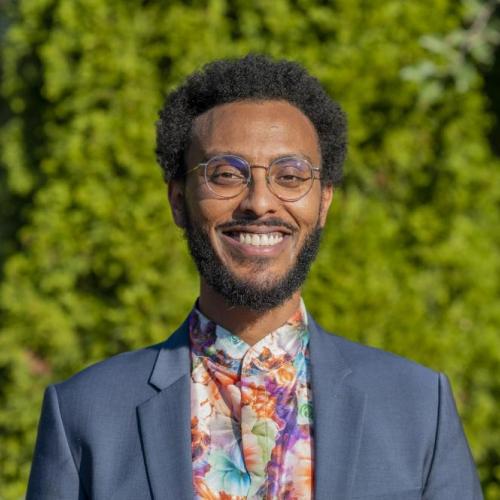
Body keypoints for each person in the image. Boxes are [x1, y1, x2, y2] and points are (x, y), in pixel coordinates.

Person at [27, 54, 482, 500]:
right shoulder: (86, 415)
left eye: (290, 175)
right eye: (226, 174)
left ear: (323, 202)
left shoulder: (418, 407)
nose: (260, 202)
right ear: (178, 201)